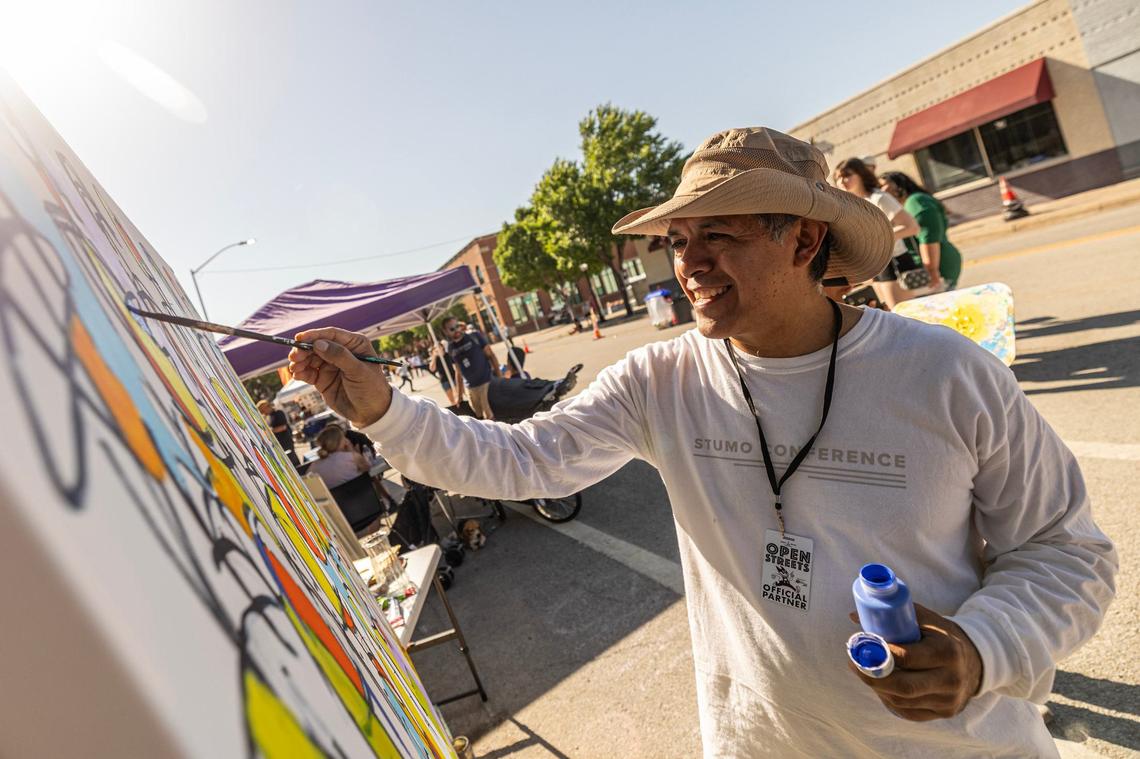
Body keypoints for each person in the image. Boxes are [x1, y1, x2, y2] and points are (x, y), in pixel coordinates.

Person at [288, 127, 1116, 758]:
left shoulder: (944, 373)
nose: (689, 263)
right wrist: (382, 409)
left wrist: (983, 648)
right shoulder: (662, 380)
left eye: (718, 235)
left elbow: (1067, 552)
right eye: (678, 241)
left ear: (802, 239)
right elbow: (520, 459)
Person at [835, 157, 921, 309]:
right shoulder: (851, 204)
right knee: (888, 313)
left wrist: (875, 238)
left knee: (904, 313)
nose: (842, 181)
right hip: (872, 265)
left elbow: (911, 227)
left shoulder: (879, 198)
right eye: (838, 178)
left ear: (861, 174)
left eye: (847, 175)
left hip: (894, 262)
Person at [880, 171, 963, 291]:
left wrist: (932, 271)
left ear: (898, 184)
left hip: (939, 265)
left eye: (883, 185)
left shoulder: (916, 201)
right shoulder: (908, 203)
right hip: (935, 264)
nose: (880, 190)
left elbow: (928, 237)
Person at [442, 316, 500, 419]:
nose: (456, 330)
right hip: (470, 388)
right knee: (478, 418)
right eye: (452, 329)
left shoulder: (474, 336)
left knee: (490, 418)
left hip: (486, 382)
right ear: (446, 332)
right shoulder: (451, 348)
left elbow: (491, 355)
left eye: (457, 326)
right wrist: (459, 396)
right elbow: (458, 371)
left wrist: (500, 377)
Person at [307, 424, 370, 488]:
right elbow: (368, 470)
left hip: (336, 498)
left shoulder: (313, 468)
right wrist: (351, 449)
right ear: (341, 440)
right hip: (363, 493)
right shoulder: (353, 457)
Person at [257, 398, 299, 466]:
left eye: (262, 410)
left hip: (286, 442)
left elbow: (283, 427)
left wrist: (268, 431)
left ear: (267, 407)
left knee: (293, 462)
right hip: (279, 444)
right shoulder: (268, 417)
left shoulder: (278, 413)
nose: (263, 412)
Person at [428, 341, 459, 406]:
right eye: (435, 347)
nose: (437, 348)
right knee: (452, 400)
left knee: (458, 397)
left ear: (442, 347)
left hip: (453, 377)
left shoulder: (448, 354)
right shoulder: (435, 358)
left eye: (439, 346)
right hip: (444, 380)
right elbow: (432, 369)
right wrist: (434, 356)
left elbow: (456, 363)